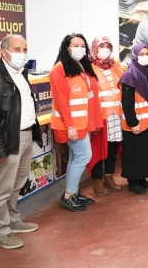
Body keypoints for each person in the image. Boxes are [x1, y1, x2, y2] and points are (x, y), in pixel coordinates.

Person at [0, 34, 42, 249]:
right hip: (7, 139)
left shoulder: (23, 73)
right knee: (1, 189)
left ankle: (13, 220)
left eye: (25, 49)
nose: (22, 53)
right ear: (3, 51)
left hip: (26, 135)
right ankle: (0, 232)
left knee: (17, 184)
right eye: (17, 49)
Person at [50, 33, 103, 211]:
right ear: (67, 48)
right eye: (75, 45)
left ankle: (73, 192)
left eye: (82, 45)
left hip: (82, 122)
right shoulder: (59, 69)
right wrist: (70, 126)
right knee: (83, 156)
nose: (80, 48)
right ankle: (68, 195)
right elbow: (61, 101)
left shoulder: (79, 66)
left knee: (75, 157)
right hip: (70, 125)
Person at [119, 44, 148, 194]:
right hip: (135, 122)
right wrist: (133, 122)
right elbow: (127, 103)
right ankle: (133, 181)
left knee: (145, 151)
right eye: (141, 54)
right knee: (134, 152)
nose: (145, 56)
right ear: (135, 56)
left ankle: (142, 178)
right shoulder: (130, 75)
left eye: (147, 53)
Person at [88, 36, 124, 195]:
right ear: (95, 48)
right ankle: (97, 181)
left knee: (112, 147)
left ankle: (109, 177)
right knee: (97, 149)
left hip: (116, 114)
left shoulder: (115, 65)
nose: (105, 49)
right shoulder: (89, 68)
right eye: (101, 46)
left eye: (107, 46)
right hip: (100, 116)